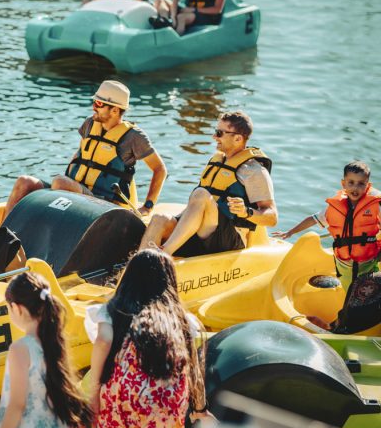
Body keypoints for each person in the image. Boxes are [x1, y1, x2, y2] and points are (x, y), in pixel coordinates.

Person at [86, 249, 208, 428]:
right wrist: (200, 408)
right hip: (166, 398)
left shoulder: (114, 311)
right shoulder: (179, 319)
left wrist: (93, 393)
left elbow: (103, 341)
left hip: (123, 396)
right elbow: (193, 367)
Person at [5, 80, 166, 218]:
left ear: (115, 110)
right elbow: (80, 156)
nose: (93, 107)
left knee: (60, 182)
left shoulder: (134, 137)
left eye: (99, 104)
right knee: (24, 182)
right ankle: (0, 236)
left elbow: (160, 169)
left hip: (105, 203)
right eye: (94, 102)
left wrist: (147, 206)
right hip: (76, 192)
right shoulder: (90, 124)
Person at [140, 111, 277, 257]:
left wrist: (246, 212)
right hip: (204, 230)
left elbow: (272, 217)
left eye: (219, 133)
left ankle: (163, 254)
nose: (214, 137)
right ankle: (136, 266)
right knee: (159, 219)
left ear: (237, 138)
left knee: (200, 194)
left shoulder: (254, 170)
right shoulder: (216, 161)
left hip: (228, 238)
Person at [272, 161, 381, 333]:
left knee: (364, 295)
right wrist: (290, 232)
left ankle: (343, 323)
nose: (355, 188)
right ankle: (336, 325)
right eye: (351, 182)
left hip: (368, 261)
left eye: (361, 184)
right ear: (343, 183)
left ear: (368, 185)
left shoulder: (375, 206)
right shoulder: (334, 207)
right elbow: (313, 219)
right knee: (350, 295)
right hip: (345, 265)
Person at [0, 272, 91, 428]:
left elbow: (17, 405)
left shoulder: (20, 349)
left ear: (17, 308)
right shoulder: (54, 343)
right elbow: (61, 384)